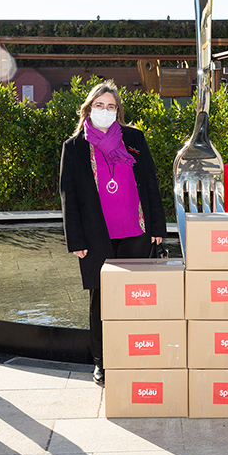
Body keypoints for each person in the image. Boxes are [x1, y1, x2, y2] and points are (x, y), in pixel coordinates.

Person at [59, 81, 167, 386]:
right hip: (96, 236)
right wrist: (76, 240)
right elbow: (67, 193)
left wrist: (158, 228)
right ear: (88, 109)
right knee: (101, 300)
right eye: (99, 105)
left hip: (136, 231)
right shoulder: (75, 146)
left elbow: (149, 183)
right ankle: (102, 362)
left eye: (111, 106)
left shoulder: (133, 138)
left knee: (138, 298)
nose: (105, 111)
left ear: (117, 110)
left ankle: (137, 355)